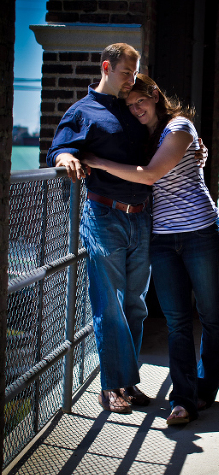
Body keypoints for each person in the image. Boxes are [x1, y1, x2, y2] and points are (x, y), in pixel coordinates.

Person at [80, 73, 219, 427]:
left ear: (156, 95)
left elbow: (150, 175)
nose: (136, 109)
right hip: (162, 238)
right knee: (177, 321)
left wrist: (96, 162)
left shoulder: (180, 127)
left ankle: (204, 389)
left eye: (140, 101)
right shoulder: (142, 138)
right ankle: (183, 399)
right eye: (129, 106)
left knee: (210, 316)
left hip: (201, 234)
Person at [47, 43, 152, 415]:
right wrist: (67, 157)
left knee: (135, 305)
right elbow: (58, 148)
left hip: (141, 217)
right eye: (126, 72)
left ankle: (128, 380)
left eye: (135, 73)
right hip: (104, 216)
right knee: (109, 305)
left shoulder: (132, 107)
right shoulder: (83, 110)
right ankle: (111, 387)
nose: (131, 80)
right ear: (107, 67)